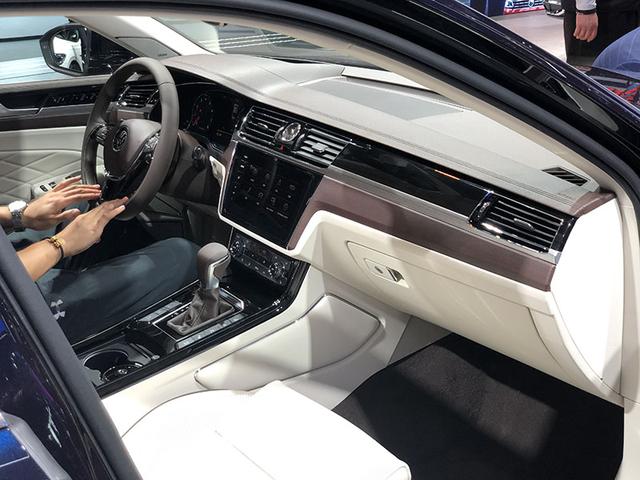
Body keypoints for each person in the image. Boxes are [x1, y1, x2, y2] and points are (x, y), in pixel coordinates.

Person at [3, 177, 198, 344]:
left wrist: (18, 216)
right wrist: (60, 244)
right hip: (10, 303)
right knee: (184, 256)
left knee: (84, 202)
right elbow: (8, 279)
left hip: (8, 258)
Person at [562, 0, 640, 66]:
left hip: (628, 9)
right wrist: (585, 10)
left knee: (625, 68)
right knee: (589, 71)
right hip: (602, 13)